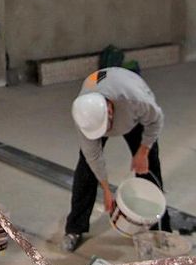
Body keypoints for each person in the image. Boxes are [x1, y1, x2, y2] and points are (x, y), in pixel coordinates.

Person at [62, 66, 170, 252]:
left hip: (134, 116)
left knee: (149, 167)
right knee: (86, 170)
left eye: (107, 127)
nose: (107, 133)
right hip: (100, 101)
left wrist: (143, 152)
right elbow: (93, 155)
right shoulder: (84, 115)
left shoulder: (135, 100)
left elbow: (156, 120)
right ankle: (74, 228)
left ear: (110, 110)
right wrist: (105, 188)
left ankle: (161, 230)